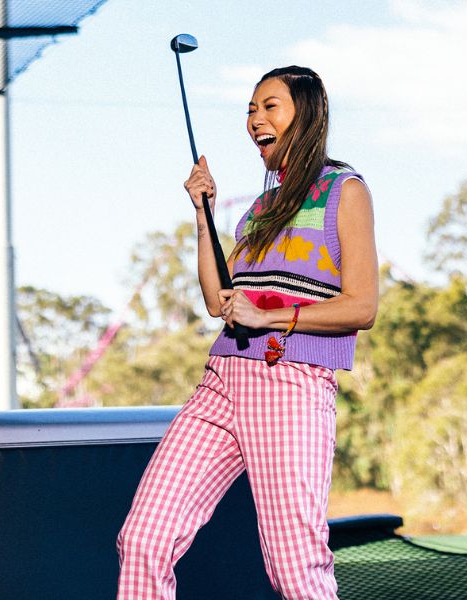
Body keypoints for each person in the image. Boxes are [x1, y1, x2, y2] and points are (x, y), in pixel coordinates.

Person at [117, 66, 378, 599]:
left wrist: (271, 317)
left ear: (306, 115)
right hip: (222, 381)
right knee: (143, 539)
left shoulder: (344, 190)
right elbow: (220, 300)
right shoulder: (258, 211)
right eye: (251, 110)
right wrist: (203, 215)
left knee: (294, 570)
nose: (255, 119)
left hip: (291, 383)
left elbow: (362, 305)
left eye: (269, 106)